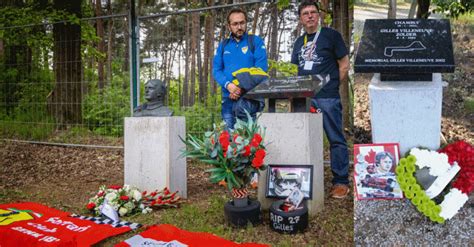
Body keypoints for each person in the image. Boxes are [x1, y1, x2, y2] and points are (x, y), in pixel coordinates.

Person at [291, 1, 350, 199]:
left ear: (318, 15)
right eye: (305, 13)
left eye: (313, 12)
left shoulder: (332, 36)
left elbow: (343, 64)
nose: (309, 16)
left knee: (335, 138)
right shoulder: (299, 42)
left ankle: (340, 181)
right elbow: (295, 69)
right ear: (300, 18)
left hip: (327, 98)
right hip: (303, 99)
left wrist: (332, 85)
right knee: (302, 139)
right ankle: (302, 180)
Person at [212, 8, 268, 129]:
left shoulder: (255, 42)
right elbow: (216, 70)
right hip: (228, 98)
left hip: (250, 98)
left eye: (242, 23)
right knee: (228, 139)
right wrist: (229, 86)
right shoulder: (223, 45)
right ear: (229, 26)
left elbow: (261, 69)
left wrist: (240, 88)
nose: (239, 27)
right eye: (235, 24)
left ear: (246, 23)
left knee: (249, 140)